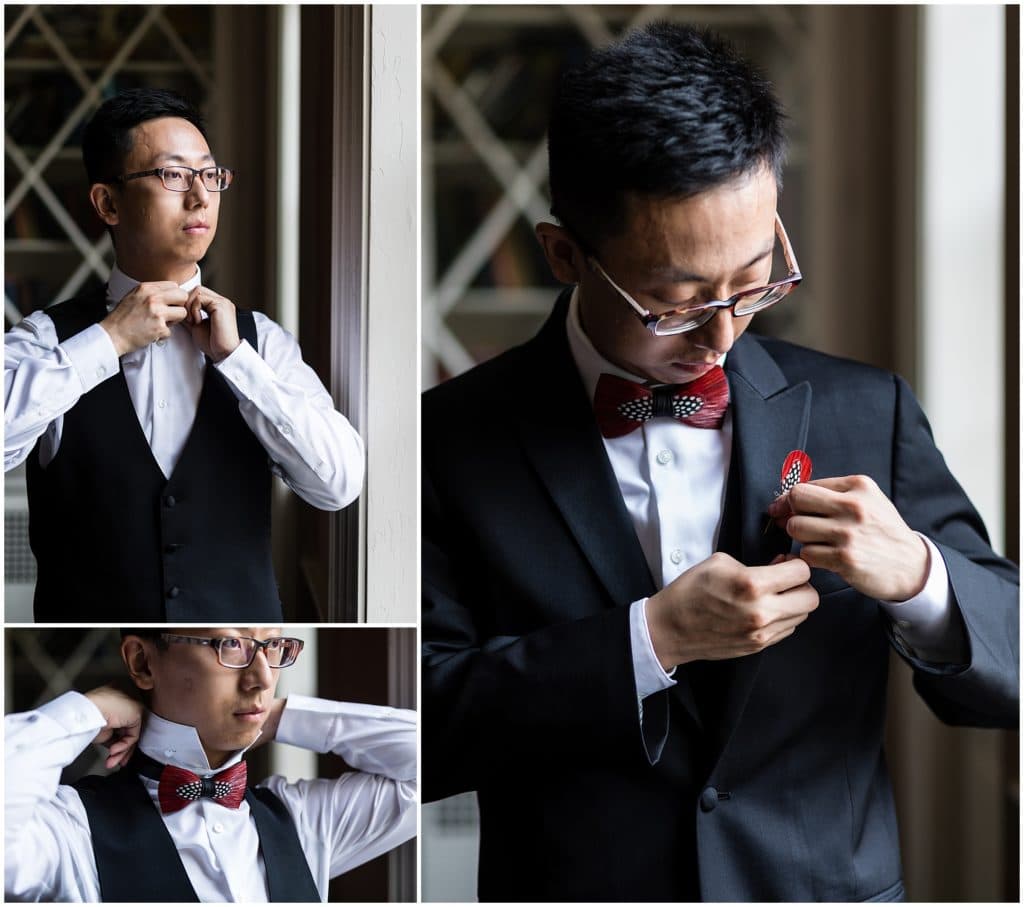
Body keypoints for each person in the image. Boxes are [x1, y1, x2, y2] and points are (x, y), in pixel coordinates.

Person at [421, 22, 1019, 902]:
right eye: (676, 301)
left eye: (754, 279)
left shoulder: (867, 410)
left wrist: (922, 577)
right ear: (563, 255)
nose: (723, 332)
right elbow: (420, 729)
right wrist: (648, 641)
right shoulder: (448, 438)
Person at [4, 88, 364, 622]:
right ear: (107, 203)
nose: (200, 197)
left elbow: (338, 485)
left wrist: (238, 362)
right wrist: (108, 341)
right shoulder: (46, 340)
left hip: (238, 647)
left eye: (211, 175)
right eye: (173, 176)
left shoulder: (260, 340)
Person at [5, 627, 417, 902]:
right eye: (231, 644)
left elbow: (433, 761)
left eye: (272, 646)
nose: (262, 677)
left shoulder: (304, 822)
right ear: (143, 663)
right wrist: (88, 711)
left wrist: (279, 717)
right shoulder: (70, 832)